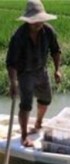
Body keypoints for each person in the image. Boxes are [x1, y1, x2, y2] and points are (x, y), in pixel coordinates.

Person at [6, 0, 62, 147]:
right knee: (26, 105)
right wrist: (13, 82)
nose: (38, 23)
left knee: (46, 99)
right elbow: (11, 63)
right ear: (28, 20)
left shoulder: (48, 31)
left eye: (40, 20)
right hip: (25, 73)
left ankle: (38, 123)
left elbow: (55, 51)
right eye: (35, 20)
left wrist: (57, 70)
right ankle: (24, 136)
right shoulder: (18, 36)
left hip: (41, 70)